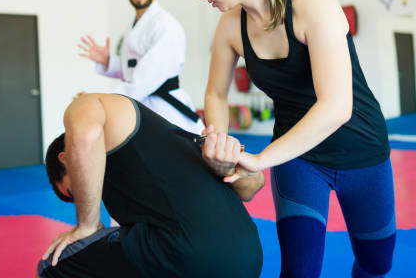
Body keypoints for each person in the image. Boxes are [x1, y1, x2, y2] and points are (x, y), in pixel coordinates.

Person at [180, 0, 396, 278]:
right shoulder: (231, 26)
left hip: (362, 150)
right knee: (299, 271)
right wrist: (218, 144)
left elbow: (336, 107)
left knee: (377, 265)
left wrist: (261, 159)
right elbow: (216, 93)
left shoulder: (313, 2)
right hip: (298, 158)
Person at [37, 93, 264, 278]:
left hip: (191, 255)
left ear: (66, 158)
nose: (86, 194)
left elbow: (85, 137)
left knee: (52, 264)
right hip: (250, 257)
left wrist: (86, 226)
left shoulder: (89, 106)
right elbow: (255, 183)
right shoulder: (160, 147)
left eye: (72, 191)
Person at [78, 0, 203, 134]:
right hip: (143, 105)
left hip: (165, 108)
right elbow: (134, 68)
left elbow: (144, 79)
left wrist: (99, 101)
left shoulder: (165, 25)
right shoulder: (134, 25)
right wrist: (109, 61)